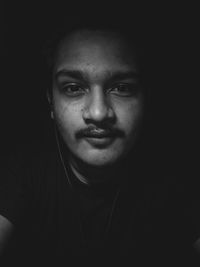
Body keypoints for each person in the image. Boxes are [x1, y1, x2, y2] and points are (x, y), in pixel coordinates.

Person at [0, 18, 199, 266]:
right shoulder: (18, 173)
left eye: (122, 87)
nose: (98, 113)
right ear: (51, 101)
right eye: (73, 87)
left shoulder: (178, 181)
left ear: (146, 99)